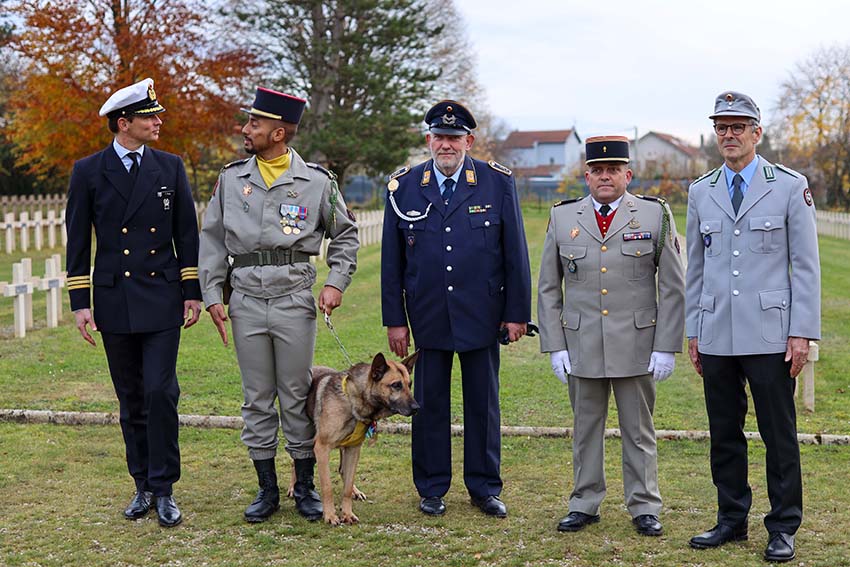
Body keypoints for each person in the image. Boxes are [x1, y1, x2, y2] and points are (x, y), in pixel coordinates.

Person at [198, 87, 359, 523]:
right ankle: (266, 489)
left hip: (293, 300)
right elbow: (211, 239)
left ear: (279, 132)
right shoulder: (232, 179)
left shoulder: (317, 182)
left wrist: (336, 283)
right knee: (256, 398)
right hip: (246, 300)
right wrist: (213, 294)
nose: (246, 129)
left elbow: (345, 235)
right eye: (249, 122)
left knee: (293, 395)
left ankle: (304, 486)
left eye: (254, 123)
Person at [686, 91, 821, 563]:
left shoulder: (787, 185)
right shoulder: (701, 191)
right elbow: (695, 268)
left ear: (756, 133)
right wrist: (693, 330)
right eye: (721, 127)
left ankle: (783, 525)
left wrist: (802, 330)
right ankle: (731, 518)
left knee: (778, 434)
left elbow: (805, 266)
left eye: (738, 126)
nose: (728, 134)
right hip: (718, 331)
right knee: (724, 432)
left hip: (770, 334)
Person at [381, 100, 531, 518]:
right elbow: (392, 264)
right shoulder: (404, 186)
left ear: (470, 140)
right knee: (426, 402)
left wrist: (516, 312)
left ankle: (484, 488)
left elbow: (515, 252)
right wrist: (395, 320)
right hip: (427, 314)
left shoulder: (495, 183)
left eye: (454, 137)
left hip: (482, 313)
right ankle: (431, 486)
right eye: (439, 137)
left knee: (483, 404)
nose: (446, 144)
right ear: (428, 139)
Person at [65, 78, 202, 527]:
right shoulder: (88, 171)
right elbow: (77, 241)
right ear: (124, 123)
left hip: (161, 296)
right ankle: (142, 483)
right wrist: (80, 303)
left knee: (161, 391)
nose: (158, 122)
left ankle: (165, 488)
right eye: (150, 117)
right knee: (131, 398)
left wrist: (192, 291)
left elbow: (186, 233)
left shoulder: (170, 166)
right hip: (114, 299)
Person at [537, 135, 685, 536]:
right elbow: (549, 287)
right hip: (582, 344)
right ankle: (584, 502)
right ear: (586, 175)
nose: (605, 177)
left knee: (638, 431)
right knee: (586, 430)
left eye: (613, 170)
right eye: (598, 170)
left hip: (636, 344)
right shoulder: (564, 217)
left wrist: (666, 346)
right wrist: (554, 346)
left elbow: (673, 286)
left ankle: (644, 505)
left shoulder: (655, 216)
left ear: (628, 174)